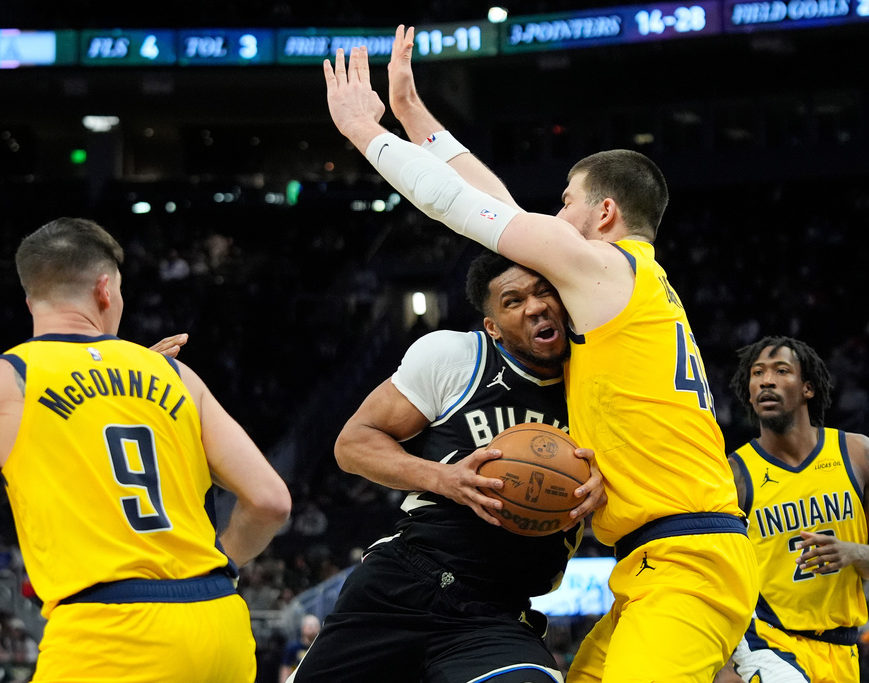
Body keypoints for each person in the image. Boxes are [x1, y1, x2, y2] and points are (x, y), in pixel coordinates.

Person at [323, 28, 757, 681]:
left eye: (564, 203)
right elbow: (501, 205)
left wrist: (365, 132)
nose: (551, 216)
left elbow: (462, 207)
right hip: (654, 562)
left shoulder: (603, 269)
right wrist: (417, 117)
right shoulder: (628, 282)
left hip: (687, 557)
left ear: (603, 211)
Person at [0, 218, 292, 682]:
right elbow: (270, 501)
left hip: (108, 635)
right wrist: (221, 563)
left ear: (30, 300)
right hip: (218, 623)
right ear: (105, 289)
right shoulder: (173, 374)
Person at [288, 251, 605, 683]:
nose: (534, 307)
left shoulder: (601, 386)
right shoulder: (456, 357)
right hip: (402, 583)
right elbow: (353, 443)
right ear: (492, 327)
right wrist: (445, 478)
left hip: (494, 611)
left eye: (543, 291)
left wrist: (610, 485)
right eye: (512, 301)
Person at [725, 337, 869, 682]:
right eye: (757, 373)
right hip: (768, 638)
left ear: (808, 388)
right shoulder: (733, 476)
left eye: (781, 370)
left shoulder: (858, 454)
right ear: (749, 393)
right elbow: (719, 572)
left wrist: (853, 552)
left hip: (843, 649)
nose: (766, 380)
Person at [280, 614, 321, 682]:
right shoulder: (293, 647)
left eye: (316, 626)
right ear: (303, 628)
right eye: (310, 626)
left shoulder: (321, 648)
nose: (313, 629)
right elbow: (285, 668)